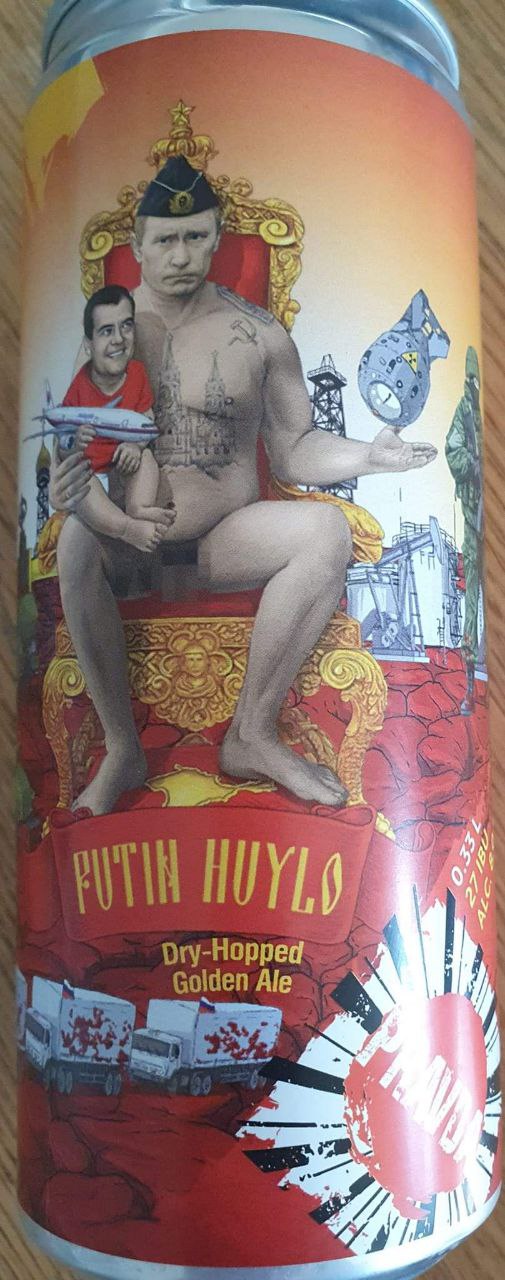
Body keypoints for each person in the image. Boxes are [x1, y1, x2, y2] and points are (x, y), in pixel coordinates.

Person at [51, 155, 437, 816]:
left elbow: (294, 448)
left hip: (225, 540)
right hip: (133, 542)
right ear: (137, 245)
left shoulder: (260, 336)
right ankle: (122, 748)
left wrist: (371, 457)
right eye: (165, 240)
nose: (180, 255)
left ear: (216, 239)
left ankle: (252, 734)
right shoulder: (108, 336)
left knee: (325, 530)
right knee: (74, 541)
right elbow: (79, 445)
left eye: (195, 236)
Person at [63, 285, 174, 553]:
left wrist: (136, 445)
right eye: (106, 331)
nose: (118, 339)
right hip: (94, 475)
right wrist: (75, 440)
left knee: (146, 459)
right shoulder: (80, 386)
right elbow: (63, 443)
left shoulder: (136, 374)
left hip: (123, 467)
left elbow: (146, 420)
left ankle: (139, 507)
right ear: (89, 345)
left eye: (126, 326)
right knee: (81, 481)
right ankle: (127, 528)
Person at [445, 346, 484, 715]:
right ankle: (470, 688)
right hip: (474, 518)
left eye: (476, 379)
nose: (473, 385)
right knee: (471, 602)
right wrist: (472, 464)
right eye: (469, 379)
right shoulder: (465, 412)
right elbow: (452, 448)